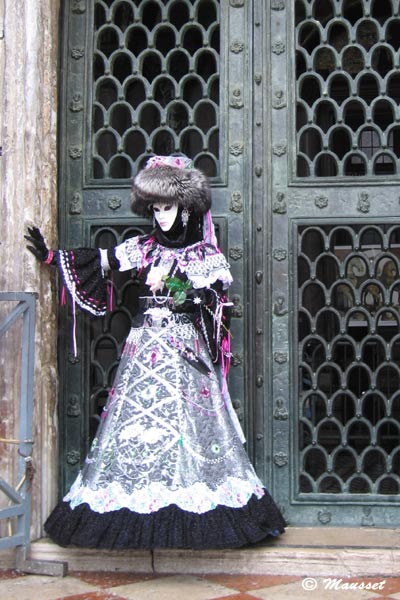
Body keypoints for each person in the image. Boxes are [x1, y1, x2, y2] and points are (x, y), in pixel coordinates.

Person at [26, 155, 285, 550]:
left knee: (190, 429)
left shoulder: (205, 257)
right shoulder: (142, 249)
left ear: (186, 209)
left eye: (169, 207)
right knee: (141, 425)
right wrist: (51, 257)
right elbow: (102, 260)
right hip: (144, 353)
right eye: (156, 208)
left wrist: (187, 294)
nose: (162, 216)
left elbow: (218, 308)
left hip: (186, 355)